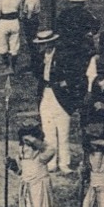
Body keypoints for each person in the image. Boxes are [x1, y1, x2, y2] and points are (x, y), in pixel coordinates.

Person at [32, 28, 78, 175]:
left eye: (44, 44)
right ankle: (51, 162)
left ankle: (64, 163)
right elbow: (36, 74)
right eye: (40, 44)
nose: (41, 46)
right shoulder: (40, 57)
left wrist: (66, 83)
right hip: (46, 94)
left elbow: (74, 73)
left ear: (51, 43)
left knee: (63, 132)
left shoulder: (63, 56)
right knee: (48, 130)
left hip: (60, 96)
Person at [6, 121, 56, 207]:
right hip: (27, 186)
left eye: (30, 138)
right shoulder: (22, 152)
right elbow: (21, 170)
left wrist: (36, 142)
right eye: (24, 138)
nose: (26, 143)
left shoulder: (41, 153)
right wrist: (12, 165)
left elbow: (50, 150)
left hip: (39, 185)